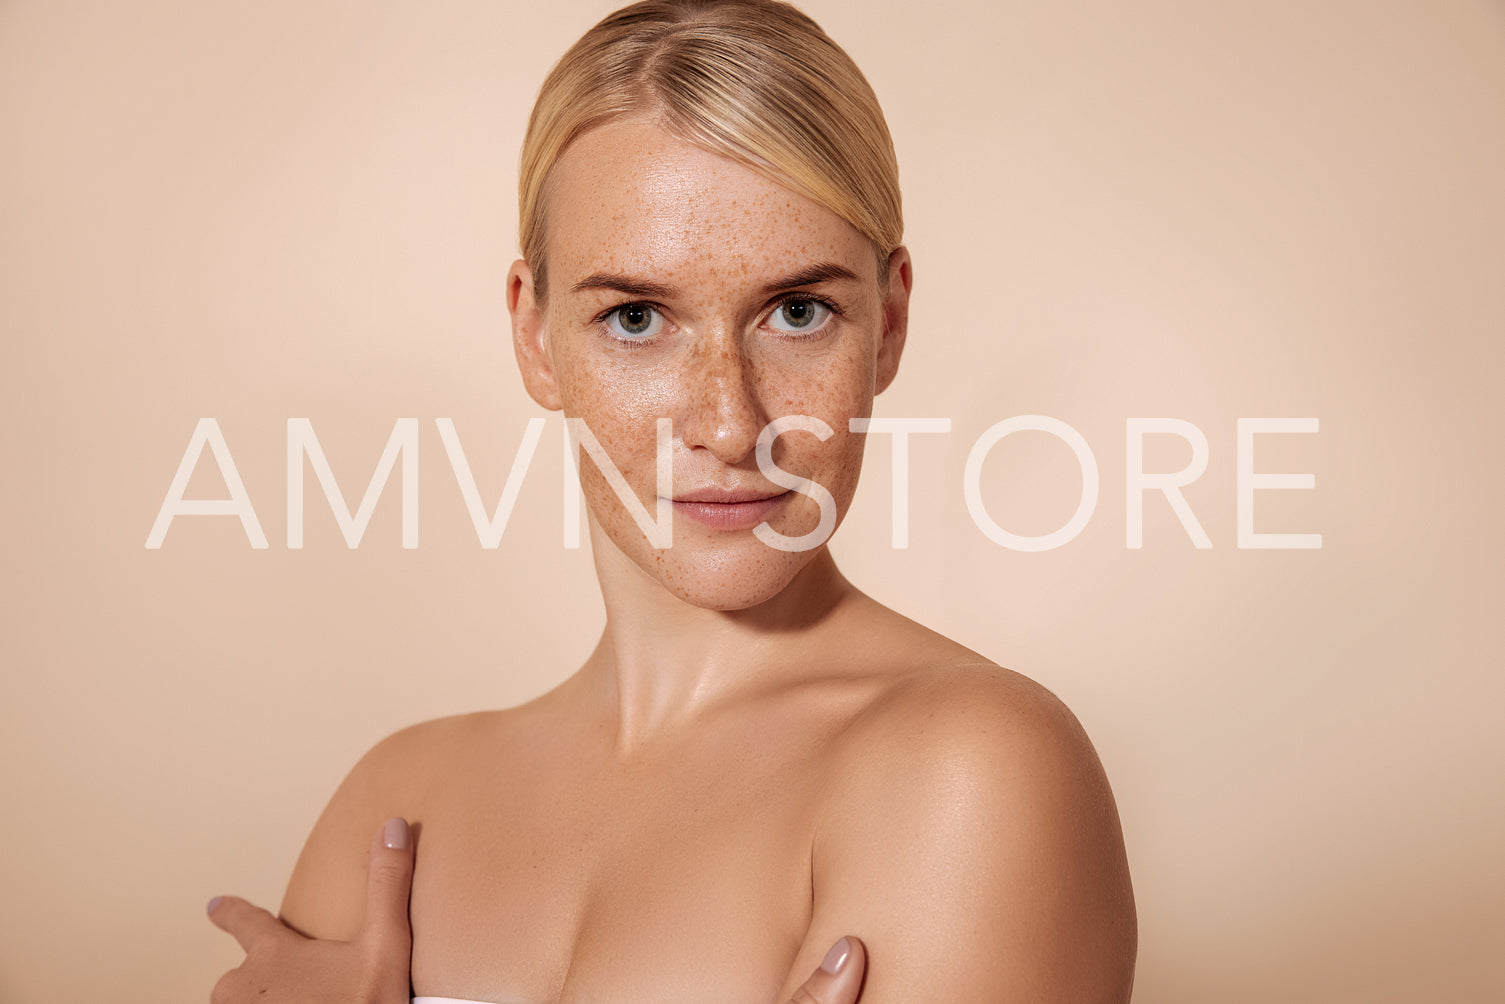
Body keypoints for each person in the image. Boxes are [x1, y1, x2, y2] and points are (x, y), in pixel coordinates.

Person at [207, 1, 1138, 1000]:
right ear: (533, 336)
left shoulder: (974, 772)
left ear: (890, 323)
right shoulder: (396, 805)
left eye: (796, 312)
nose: (730, 424)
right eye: (637, 317)